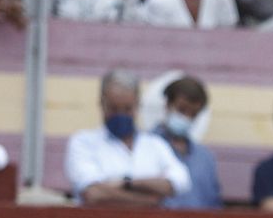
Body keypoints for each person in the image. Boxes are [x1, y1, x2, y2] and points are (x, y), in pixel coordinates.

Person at [66, 70, 190, 206]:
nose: (121, 114)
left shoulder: (156, 144)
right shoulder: (83, 143)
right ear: (101, 104)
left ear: (138, 105)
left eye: (127, 109)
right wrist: (150, 199)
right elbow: (94, 194)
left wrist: (126, 183)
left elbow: (179, 182)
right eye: (114, 108)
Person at [154, 75, 223, 211]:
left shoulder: (205, 158)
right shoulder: (145, 147)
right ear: (167, 105)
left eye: (193, 113)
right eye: (182, 110)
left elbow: (214, 205)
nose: (186, 117)